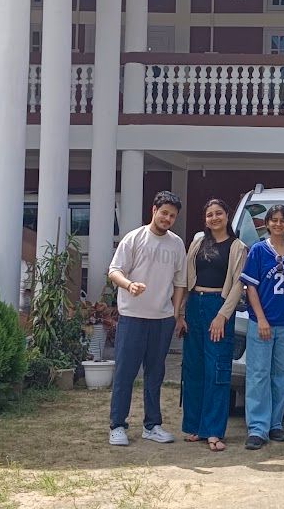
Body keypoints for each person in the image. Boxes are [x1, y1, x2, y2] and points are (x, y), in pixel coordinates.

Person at [107, 190, 187, 447]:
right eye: (163, 213)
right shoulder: (134, 238)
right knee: (125, 374)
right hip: (132, 317)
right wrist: (129, 285)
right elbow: (114, 270)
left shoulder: (176, 243)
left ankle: (152, 425)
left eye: (172, 216)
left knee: (155, 375)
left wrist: (175, 314)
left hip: (162, 320)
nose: (167, 218)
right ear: (154, 210)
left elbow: (179, 282)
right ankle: (118, 425)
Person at [180, 199, 249, 452]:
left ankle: (214, 431)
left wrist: (222, 316)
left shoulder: (237, 247)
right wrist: (180, 313)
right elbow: (185, 278)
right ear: (205, 219)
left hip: (218, 306)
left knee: (217, 370)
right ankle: (195, 427)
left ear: (227, 215)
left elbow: (238, 285)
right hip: (195, 306)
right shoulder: (198, 243)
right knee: (194, 368)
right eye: (209, 214)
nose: (214, 218)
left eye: (219, 213)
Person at [240, 204, 284, 450]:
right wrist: (261, 319)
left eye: (283, 220)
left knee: (281, 375)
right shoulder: (258, 251)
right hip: (263, 324)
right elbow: (251, 288)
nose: (278, 223)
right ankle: (257, 428)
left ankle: (275, 423)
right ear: (267, 223)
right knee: (258, 375)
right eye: (274, 219)